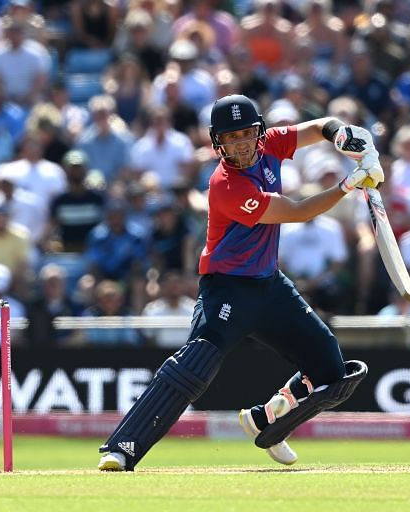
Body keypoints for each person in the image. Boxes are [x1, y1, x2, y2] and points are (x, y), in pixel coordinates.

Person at [97, 94, 383, 471]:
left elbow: (317, 127)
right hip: (227, 288)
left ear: (259, 131)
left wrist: (341, 134)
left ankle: (266, 419)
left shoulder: (272, 143)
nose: (241, 144)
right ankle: (122, 448)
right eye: (231, 138)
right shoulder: (225, 185)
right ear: (218, 143)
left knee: (332, 370)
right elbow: (296, 212)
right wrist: (350, 185)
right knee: (196, 365)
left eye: (247, 134)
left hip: (270, 285)